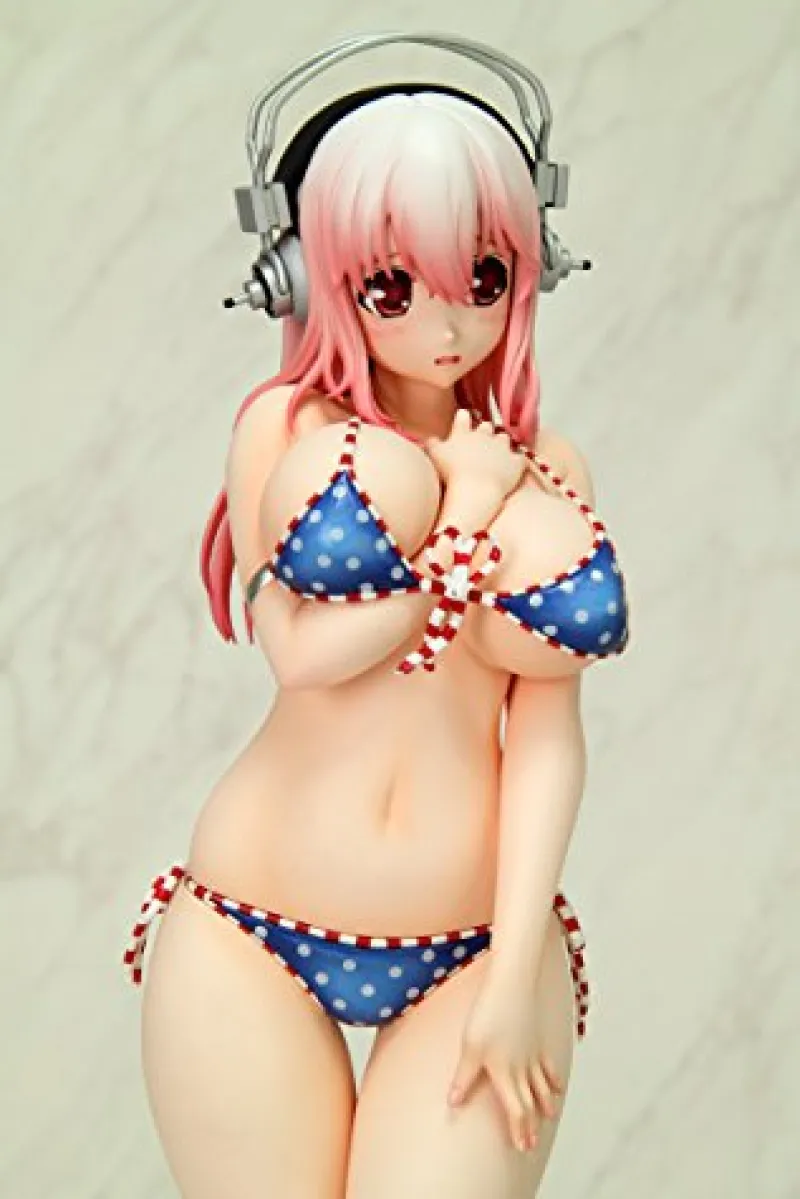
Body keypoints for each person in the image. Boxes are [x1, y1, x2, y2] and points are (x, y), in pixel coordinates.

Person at [123, 82, 629, 1198]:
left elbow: (547, 738)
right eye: (393, 287)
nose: (446, 326)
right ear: (308, 278)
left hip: (475, 945)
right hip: (248, 923)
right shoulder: (285, 428)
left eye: (484, 278)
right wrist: (465, 506)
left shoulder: (552, 469)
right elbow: (303, 653)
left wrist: (515, 969)